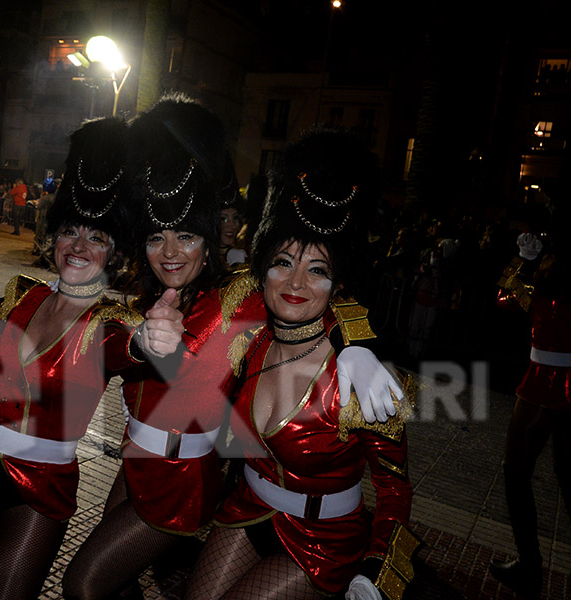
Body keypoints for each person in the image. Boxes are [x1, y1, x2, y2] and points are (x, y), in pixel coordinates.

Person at [62, 97, 401, 600]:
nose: (171, 252)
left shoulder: (240, 297)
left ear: (212, 234)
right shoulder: (148, 298)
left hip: (187, 484)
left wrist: (357, 346)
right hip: (147, 471)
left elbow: (312, 292)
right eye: (156, 237)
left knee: (84, 582)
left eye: (187, 236)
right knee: (112, 581)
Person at [0, 116, 185, 600]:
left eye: (97, 237)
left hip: (40, 489)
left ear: (114, 254)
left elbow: (129, 350)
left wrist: (151, 343)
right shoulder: (20, 296)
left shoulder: (110, 323)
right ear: (53, 237)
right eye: (71, 230)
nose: (78, 245)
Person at [184, 129, 417, 600]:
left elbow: (395, 491)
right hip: (250, 506)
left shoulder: (362, 379)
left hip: (323, 540)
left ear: (338, 284)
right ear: (262, 267)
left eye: (317, 269)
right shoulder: (247, 342)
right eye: (283, 262)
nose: (295, 282)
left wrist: (377, 570)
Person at [489, 211, 571, 600]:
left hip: (542, 385)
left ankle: (530, 565)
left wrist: (521, 261)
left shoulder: (547, 283)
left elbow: (502, 298)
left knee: (516, 472)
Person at [219, 186, 248, 269]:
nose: (233, 225)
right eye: (223, 219)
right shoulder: (199, 257)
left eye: (235, 218)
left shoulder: (238, 256)